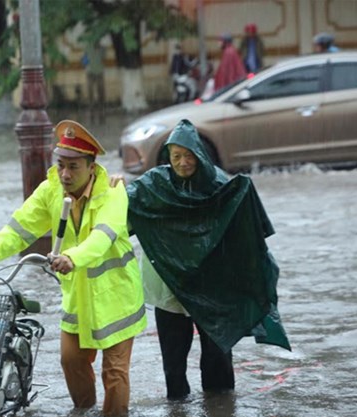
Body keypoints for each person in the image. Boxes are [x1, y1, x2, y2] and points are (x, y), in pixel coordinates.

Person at [0, 120, 147, 417]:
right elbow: (20, 228)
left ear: (91, 166)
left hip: (116, 301)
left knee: (114, 374)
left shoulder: (113, 193)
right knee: (71, 361)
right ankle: (84, 412)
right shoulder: (51, 191)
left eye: (73, 167)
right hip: (78, 300)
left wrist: (72, 257)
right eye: (61, 165)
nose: (65, 174)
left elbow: (102, 238)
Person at [111, 119, 290, 399]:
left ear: (200, 155)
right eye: (176, 156)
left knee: (218, 356)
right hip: (168, 286)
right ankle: (178, 408)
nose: (183, 162)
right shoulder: (154, 185)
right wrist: (113, 190)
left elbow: (240, 233)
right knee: (173, 358)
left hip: (212, 287)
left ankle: (220, 407)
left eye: (189, 155)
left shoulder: (220, 185)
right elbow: (120, 214)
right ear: (168, 158)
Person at [83, 38, 106, 122]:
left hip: (99, 72)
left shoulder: (102, 49)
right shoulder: (88, 48)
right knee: (90, 92)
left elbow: (103, 58)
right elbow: (84, 58)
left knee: (101, 91)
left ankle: (101, 108)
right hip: (90, 72)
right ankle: (91, 109)